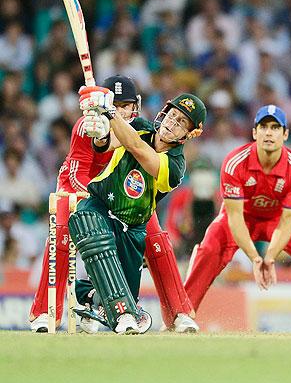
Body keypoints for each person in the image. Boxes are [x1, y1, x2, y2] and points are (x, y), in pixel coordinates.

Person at [30, 75, 198, 334]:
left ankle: (178, 313)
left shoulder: (143, 131)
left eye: (126, 106)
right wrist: (100, 136)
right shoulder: (84, 126)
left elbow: (135, 148)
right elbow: (78, 171)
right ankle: (45, 313)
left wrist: (110, 120)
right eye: (115, 105)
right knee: (62, 232)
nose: (121, 111)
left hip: (124, 197)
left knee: (155, 237)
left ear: (136, 106)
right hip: (82, 188)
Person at [184, 105, 291, 319]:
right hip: (241, 217)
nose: (269, 132)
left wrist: (269, 257)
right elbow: (234, 218)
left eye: (275, 127)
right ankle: (180, 315)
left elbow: (289, 222)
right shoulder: (234, 163)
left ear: (285, 134)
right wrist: (255, 258)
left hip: (280, 219)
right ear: (254, 133)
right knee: (208, 251)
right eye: (263, 127)